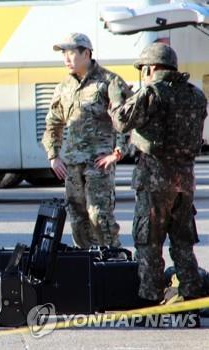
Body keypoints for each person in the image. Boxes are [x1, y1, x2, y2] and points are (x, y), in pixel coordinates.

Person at [109, 43, 206, 307]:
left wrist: (117, 98)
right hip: (185, 180)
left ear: (150, 68)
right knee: (183, 242)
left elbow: (121, 121)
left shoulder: (152, 93)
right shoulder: (196, 95)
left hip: (155, 181)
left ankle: (150, 300)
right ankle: (193, 296)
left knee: (149, 243)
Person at [42, 33, 131, 249]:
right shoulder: (64, 87)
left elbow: (126, 118)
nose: (66, 59)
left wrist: (118, 152)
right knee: (77, 220)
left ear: (87, 53)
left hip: (98, 164)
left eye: (72, 53)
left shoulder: (109, 82)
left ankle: (114, 264)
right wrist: (53, 156)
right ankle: (86, 268)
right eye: (64, 54)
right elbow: (53, 123)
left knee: (99, 217)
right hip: (72, 164)